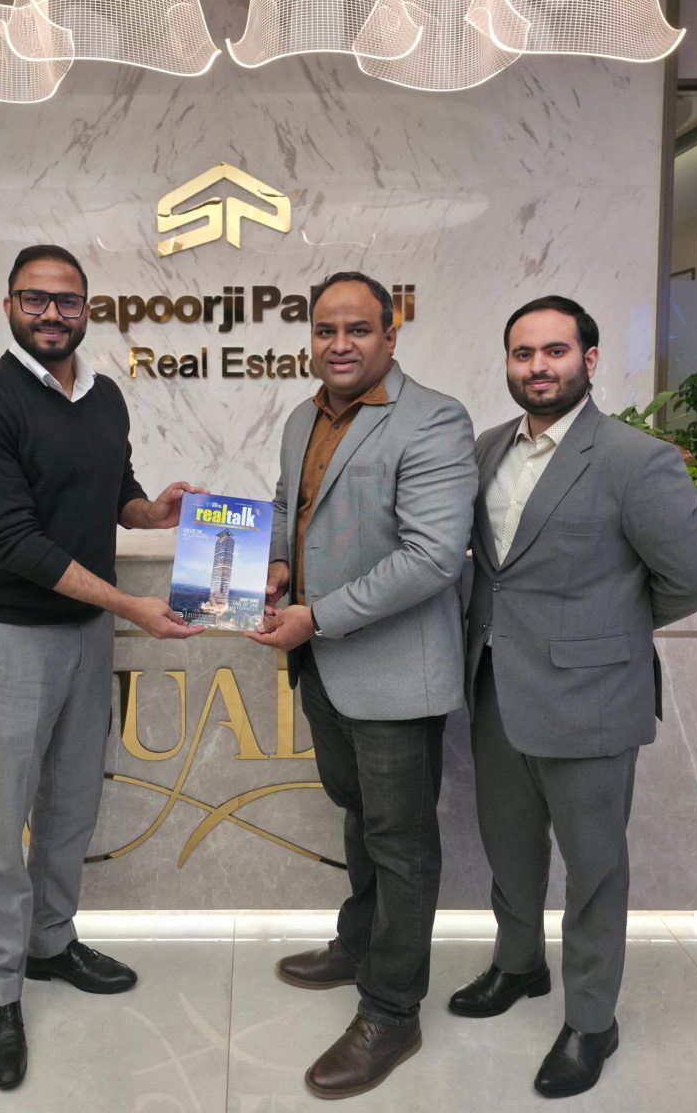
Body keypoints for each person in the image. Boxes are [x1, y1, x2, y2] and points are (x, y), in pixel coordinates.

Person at [0, 244, 204, 1091]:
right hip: (16, 632)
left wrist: (152, 512)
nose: (52, 314)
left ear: (88, 309)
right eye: (35, 299)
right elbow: (13, 540)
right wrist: (130, 605)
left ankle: (51, 942)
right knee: (2, 816)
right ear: (9, 306)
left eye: (67, 301)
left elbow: (112, 490)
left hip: (88, 630)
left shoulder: (103, 396)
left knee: (71, 801)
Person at [448, 296, 697, 1098]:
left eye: (554, 351)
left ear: (589, 359)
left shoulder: (636, 459)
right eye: (522, 353)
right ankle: (518, 965)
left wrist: (604, 632)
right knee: (508, 846)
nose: (537, 367)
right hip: (495, 685)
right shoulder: (486, 448)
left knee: (593, 866)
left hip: (591, 696)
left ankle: (591, 1020)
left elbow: (693, 579)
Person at [246, 271, 477, 1099]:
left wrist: (315, 615)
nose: (338, 344)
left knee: (402, 845)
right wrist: (278, 564)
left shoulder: (434, 418)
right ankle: (360, 943)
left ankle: (391, 1010)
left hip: (393, 672)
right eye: (324, 330)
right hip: (324, 668)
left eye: (357, 329)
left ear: (389, 335)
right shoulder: (301, 417)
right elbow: (290, 504)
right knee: (359, 816)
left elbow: (431, 557)